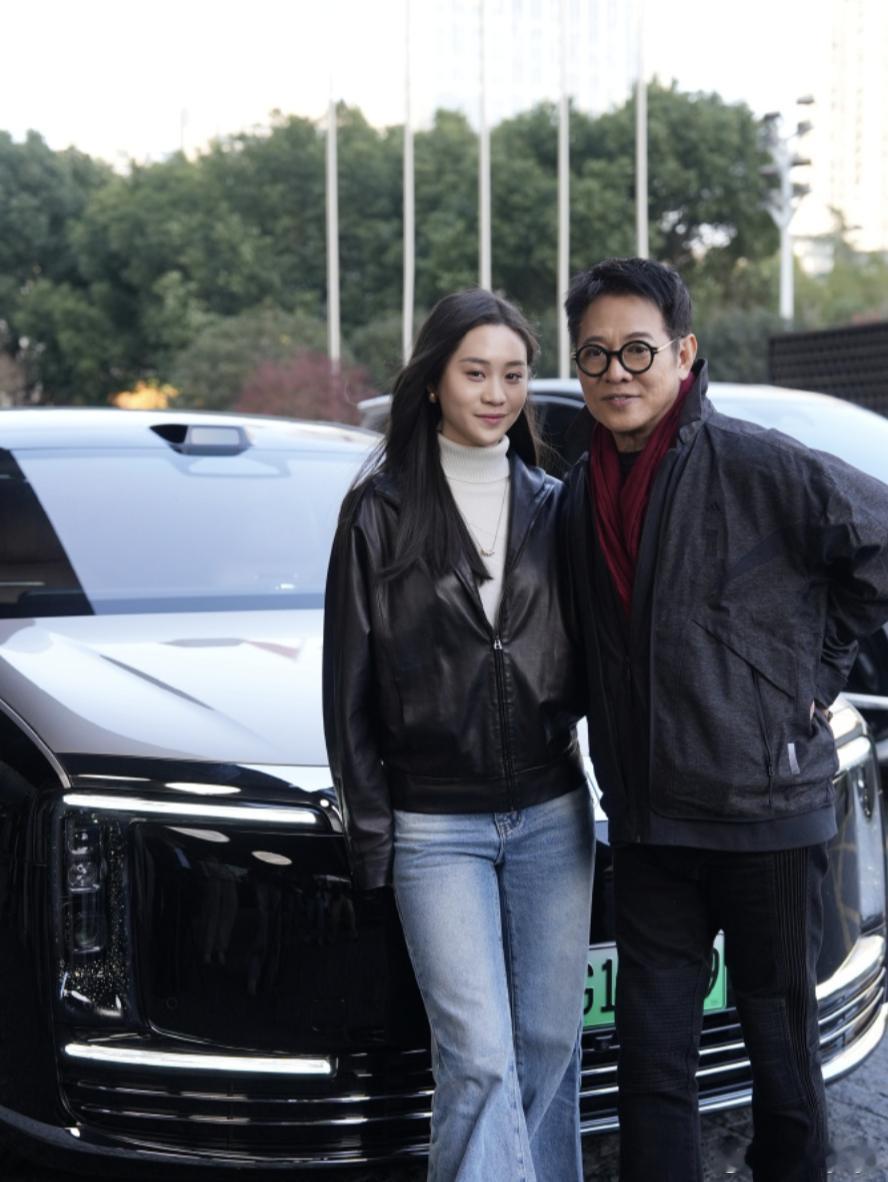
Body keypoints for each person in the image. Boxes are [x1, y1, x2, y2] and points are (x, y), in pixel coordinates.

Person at [560, 256, 888, 1182]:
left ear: (684, 352)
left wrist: (814, 674)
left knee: (780, 1053)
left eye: (637, 350)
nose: (616, 373)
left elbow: (877, 542)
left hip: (765, 815)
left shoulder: (756, 462)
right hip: (650, 822)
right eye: (595, 355)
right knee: (651, 1062)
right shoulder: (580, 491)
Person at [323, 288, 595, 1182]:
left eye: (514, 375)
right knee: (477, 1058)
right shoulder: (380, 512)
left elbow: (600, 655)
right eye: (476, 372)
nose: (496, 393)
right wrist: (373, 839)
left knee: (549, 1041)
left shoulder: (556, 506)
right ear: (435, 379)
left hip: (551, 813)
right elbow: (347, 692)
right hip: (435, 827)